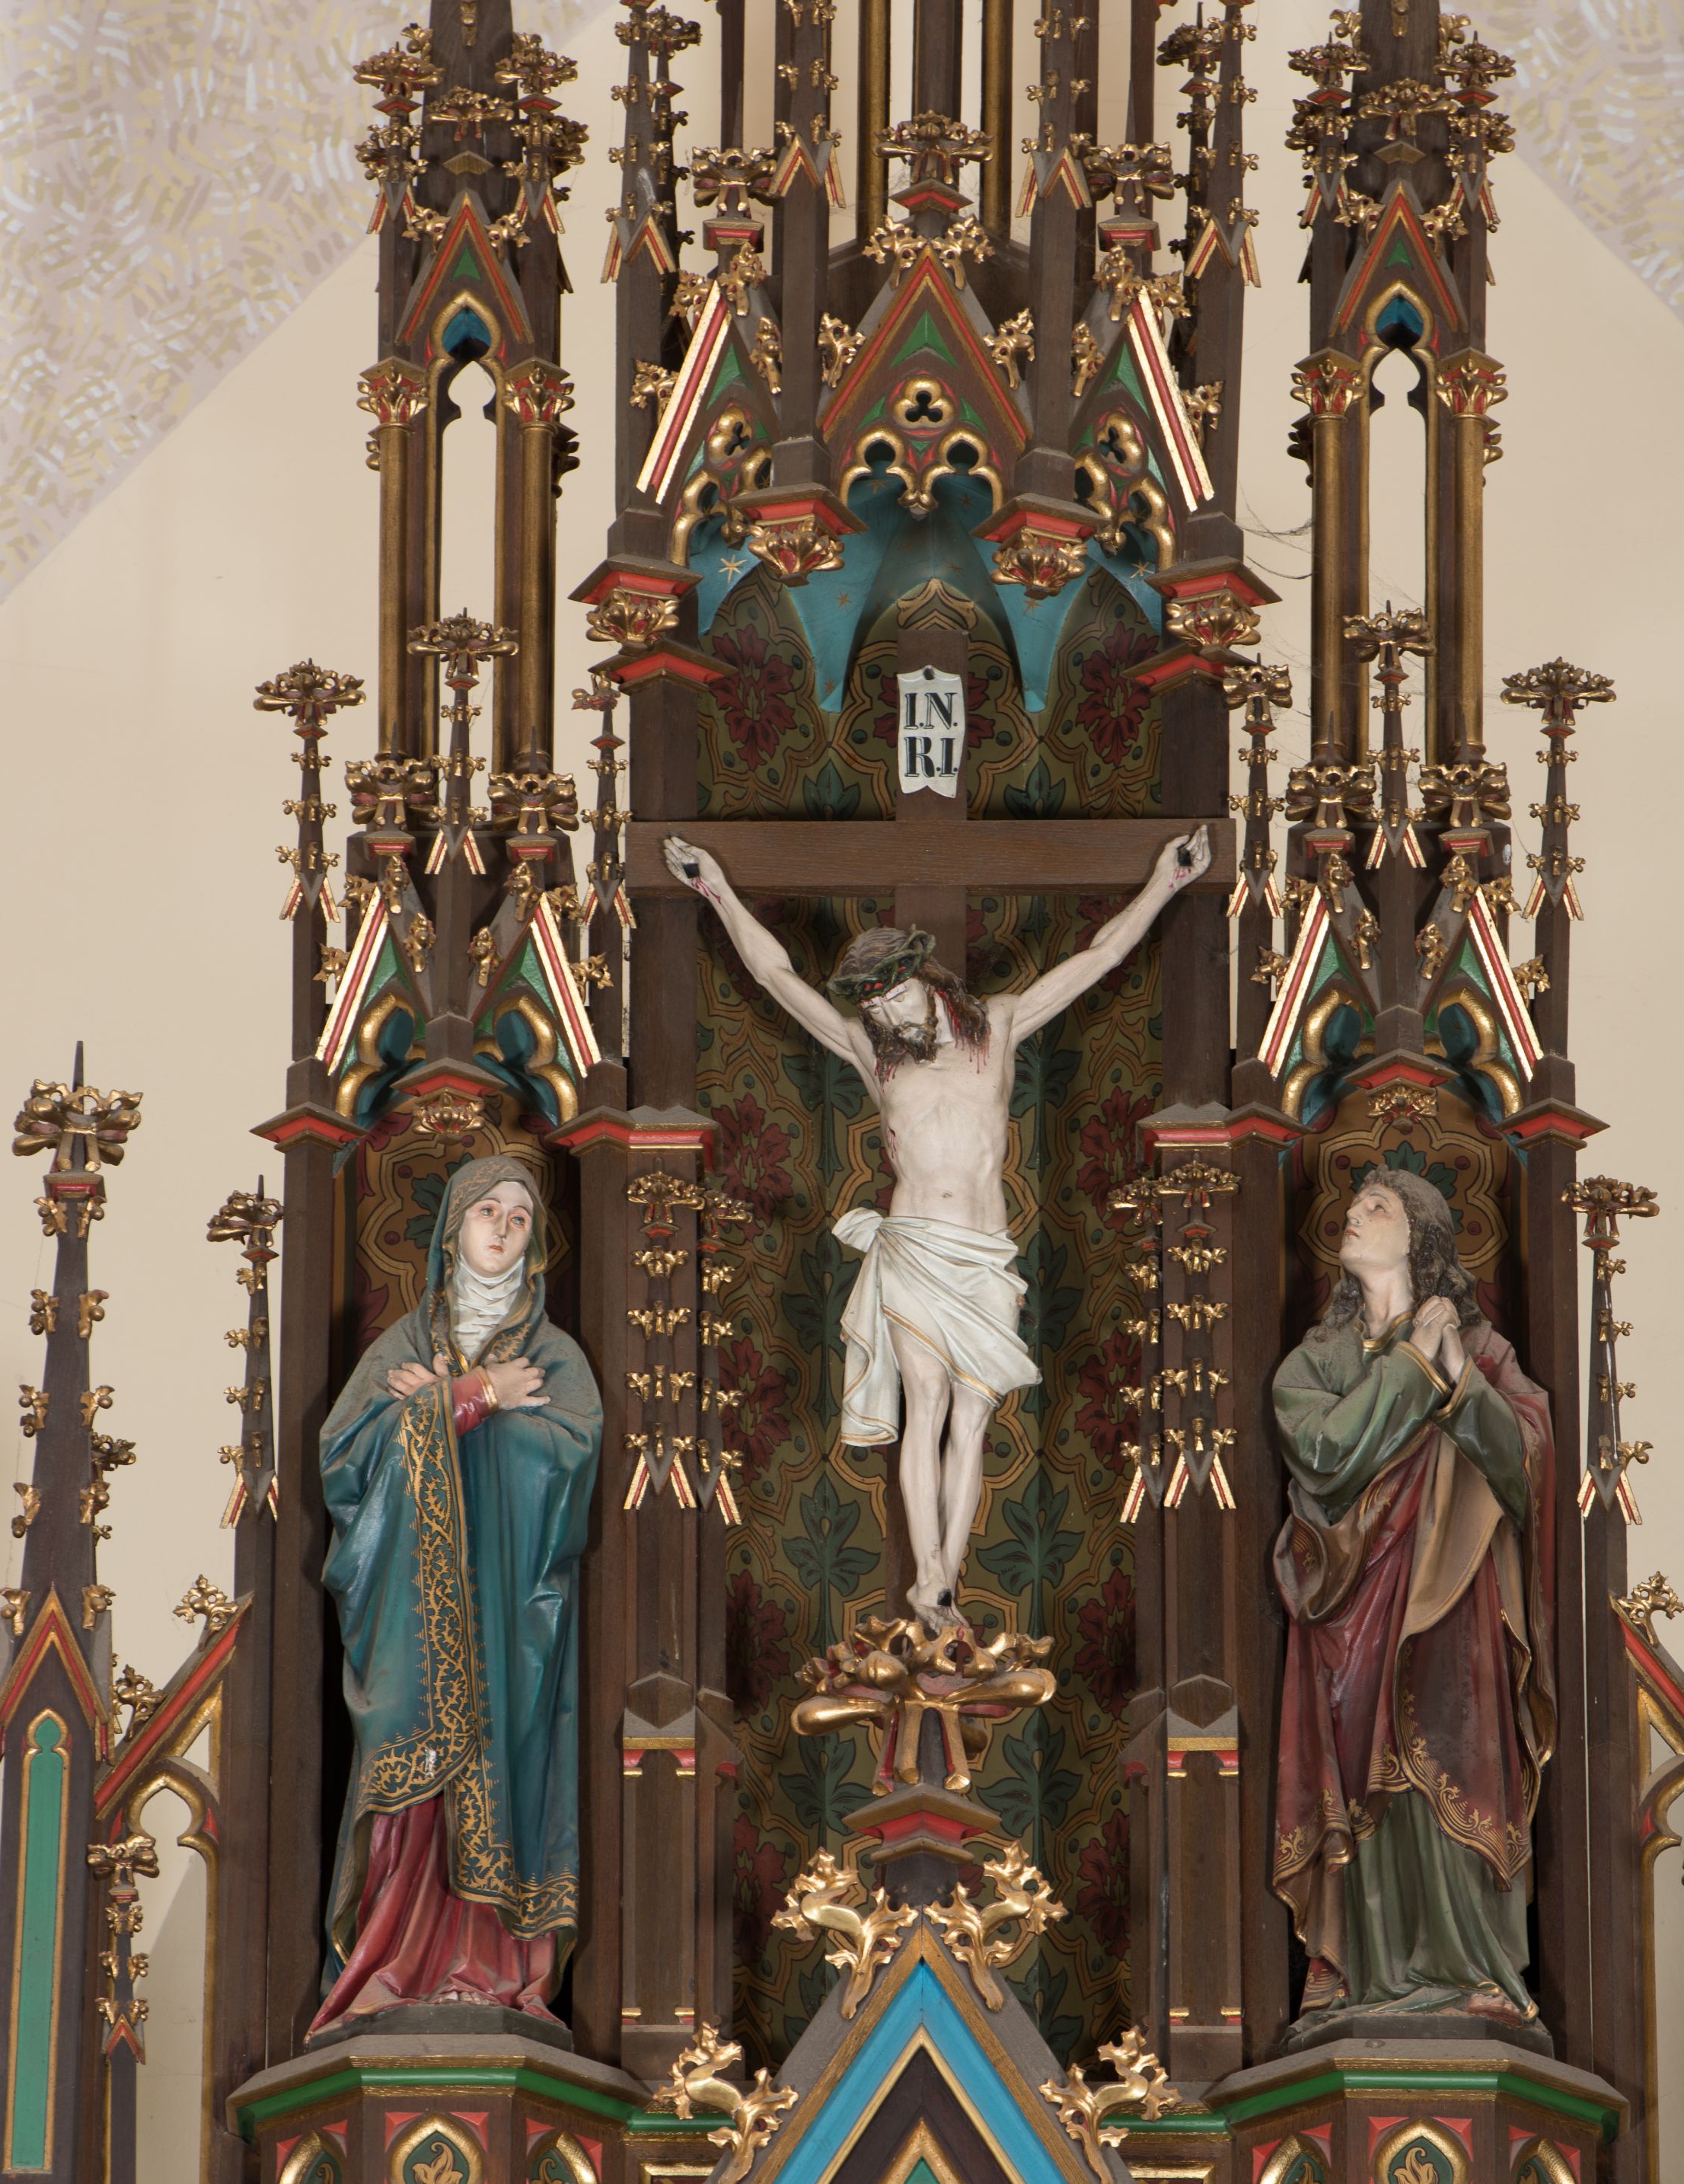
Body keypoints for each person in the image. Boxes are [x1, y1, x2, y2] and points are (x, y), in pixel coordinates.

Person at [665, 826, 1210, 1620]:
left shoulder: (1000, 1027)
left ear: (927, 979)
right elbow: (778, 977)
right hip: (915, 1246)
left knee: (975, 1414)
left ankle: (949, 1573)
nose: (884, 1013)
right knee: (924, 1403)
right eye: (873, 1005)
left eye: (894, 996)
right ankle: (929, 1577)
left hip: (984, 1252)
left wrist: (1165, 883)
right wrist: (715, 889)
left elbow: (1098, 959)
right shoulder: (874, 1054)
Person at [309, 1154, 601, 2039]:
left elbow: (568, 1460)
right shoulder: (399, 1348)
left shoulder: (555, 1357)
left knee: (506, 1772)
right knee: (412, 1781)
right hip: (409, 1618)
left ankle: (494, 1972)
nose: (502, 1229)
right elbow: (344, 1463)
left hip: (512, 1622)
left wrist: (447, 1408)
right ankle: (396, 1964)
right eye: (487, 1212)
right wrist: (476, 1398)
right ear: (452, 1229)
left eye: (519, 1217)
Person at [1271, 1162, 1555, 2035]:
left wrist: (1458, 1374)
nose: (1353, 1215)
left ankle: (1470, 1965)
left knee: (1452, 1749)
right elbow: (1322, 1451)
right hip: (1348, 1608)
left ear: (1421, 1238)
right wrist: (1412, 1365)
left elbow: (1527, 1463)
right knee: (1361, 1774)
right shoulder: (1316, 1360)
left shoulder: (1483, 1349)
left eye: (1378, 1206)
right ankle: (1361, 1970)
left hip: (1453, 1598)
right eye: (1353, 1203)